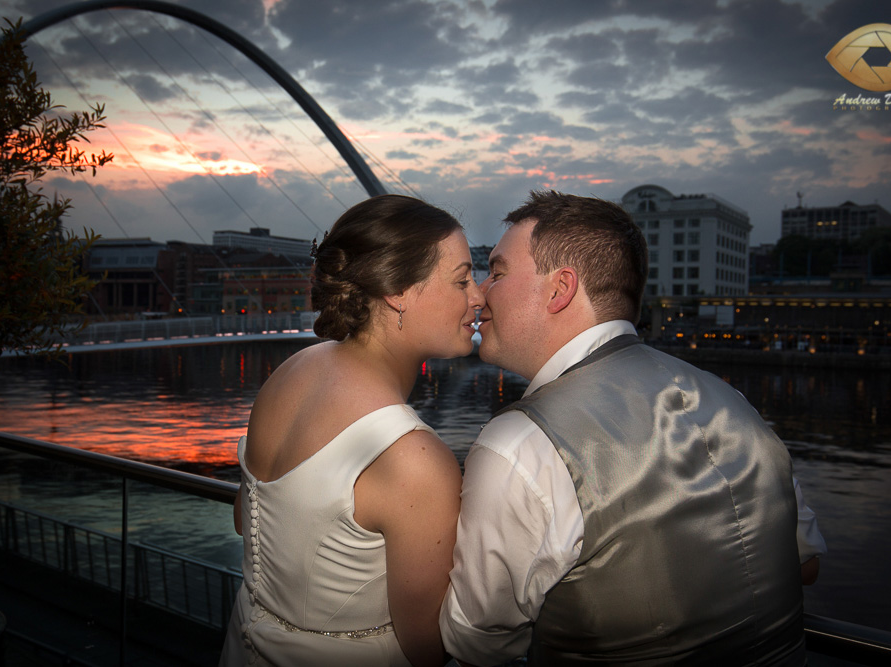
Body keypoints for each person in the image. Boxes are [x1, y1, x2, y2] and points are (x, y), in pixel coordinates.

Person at [440, 190, 826, 665]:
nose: (478, 292)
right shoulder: (735, 402)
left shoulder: (522, 443)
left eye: (496, 272)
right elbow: (804, 564)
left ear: (560, 289)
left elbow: (477, 641)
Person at [220, 194, 484, 666]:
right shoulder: (413, 460)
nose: (479, 296)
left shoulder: (289, 374)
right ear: (398, 290)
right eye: (462, 280)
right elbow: (426, 647)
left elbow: (248, 520)